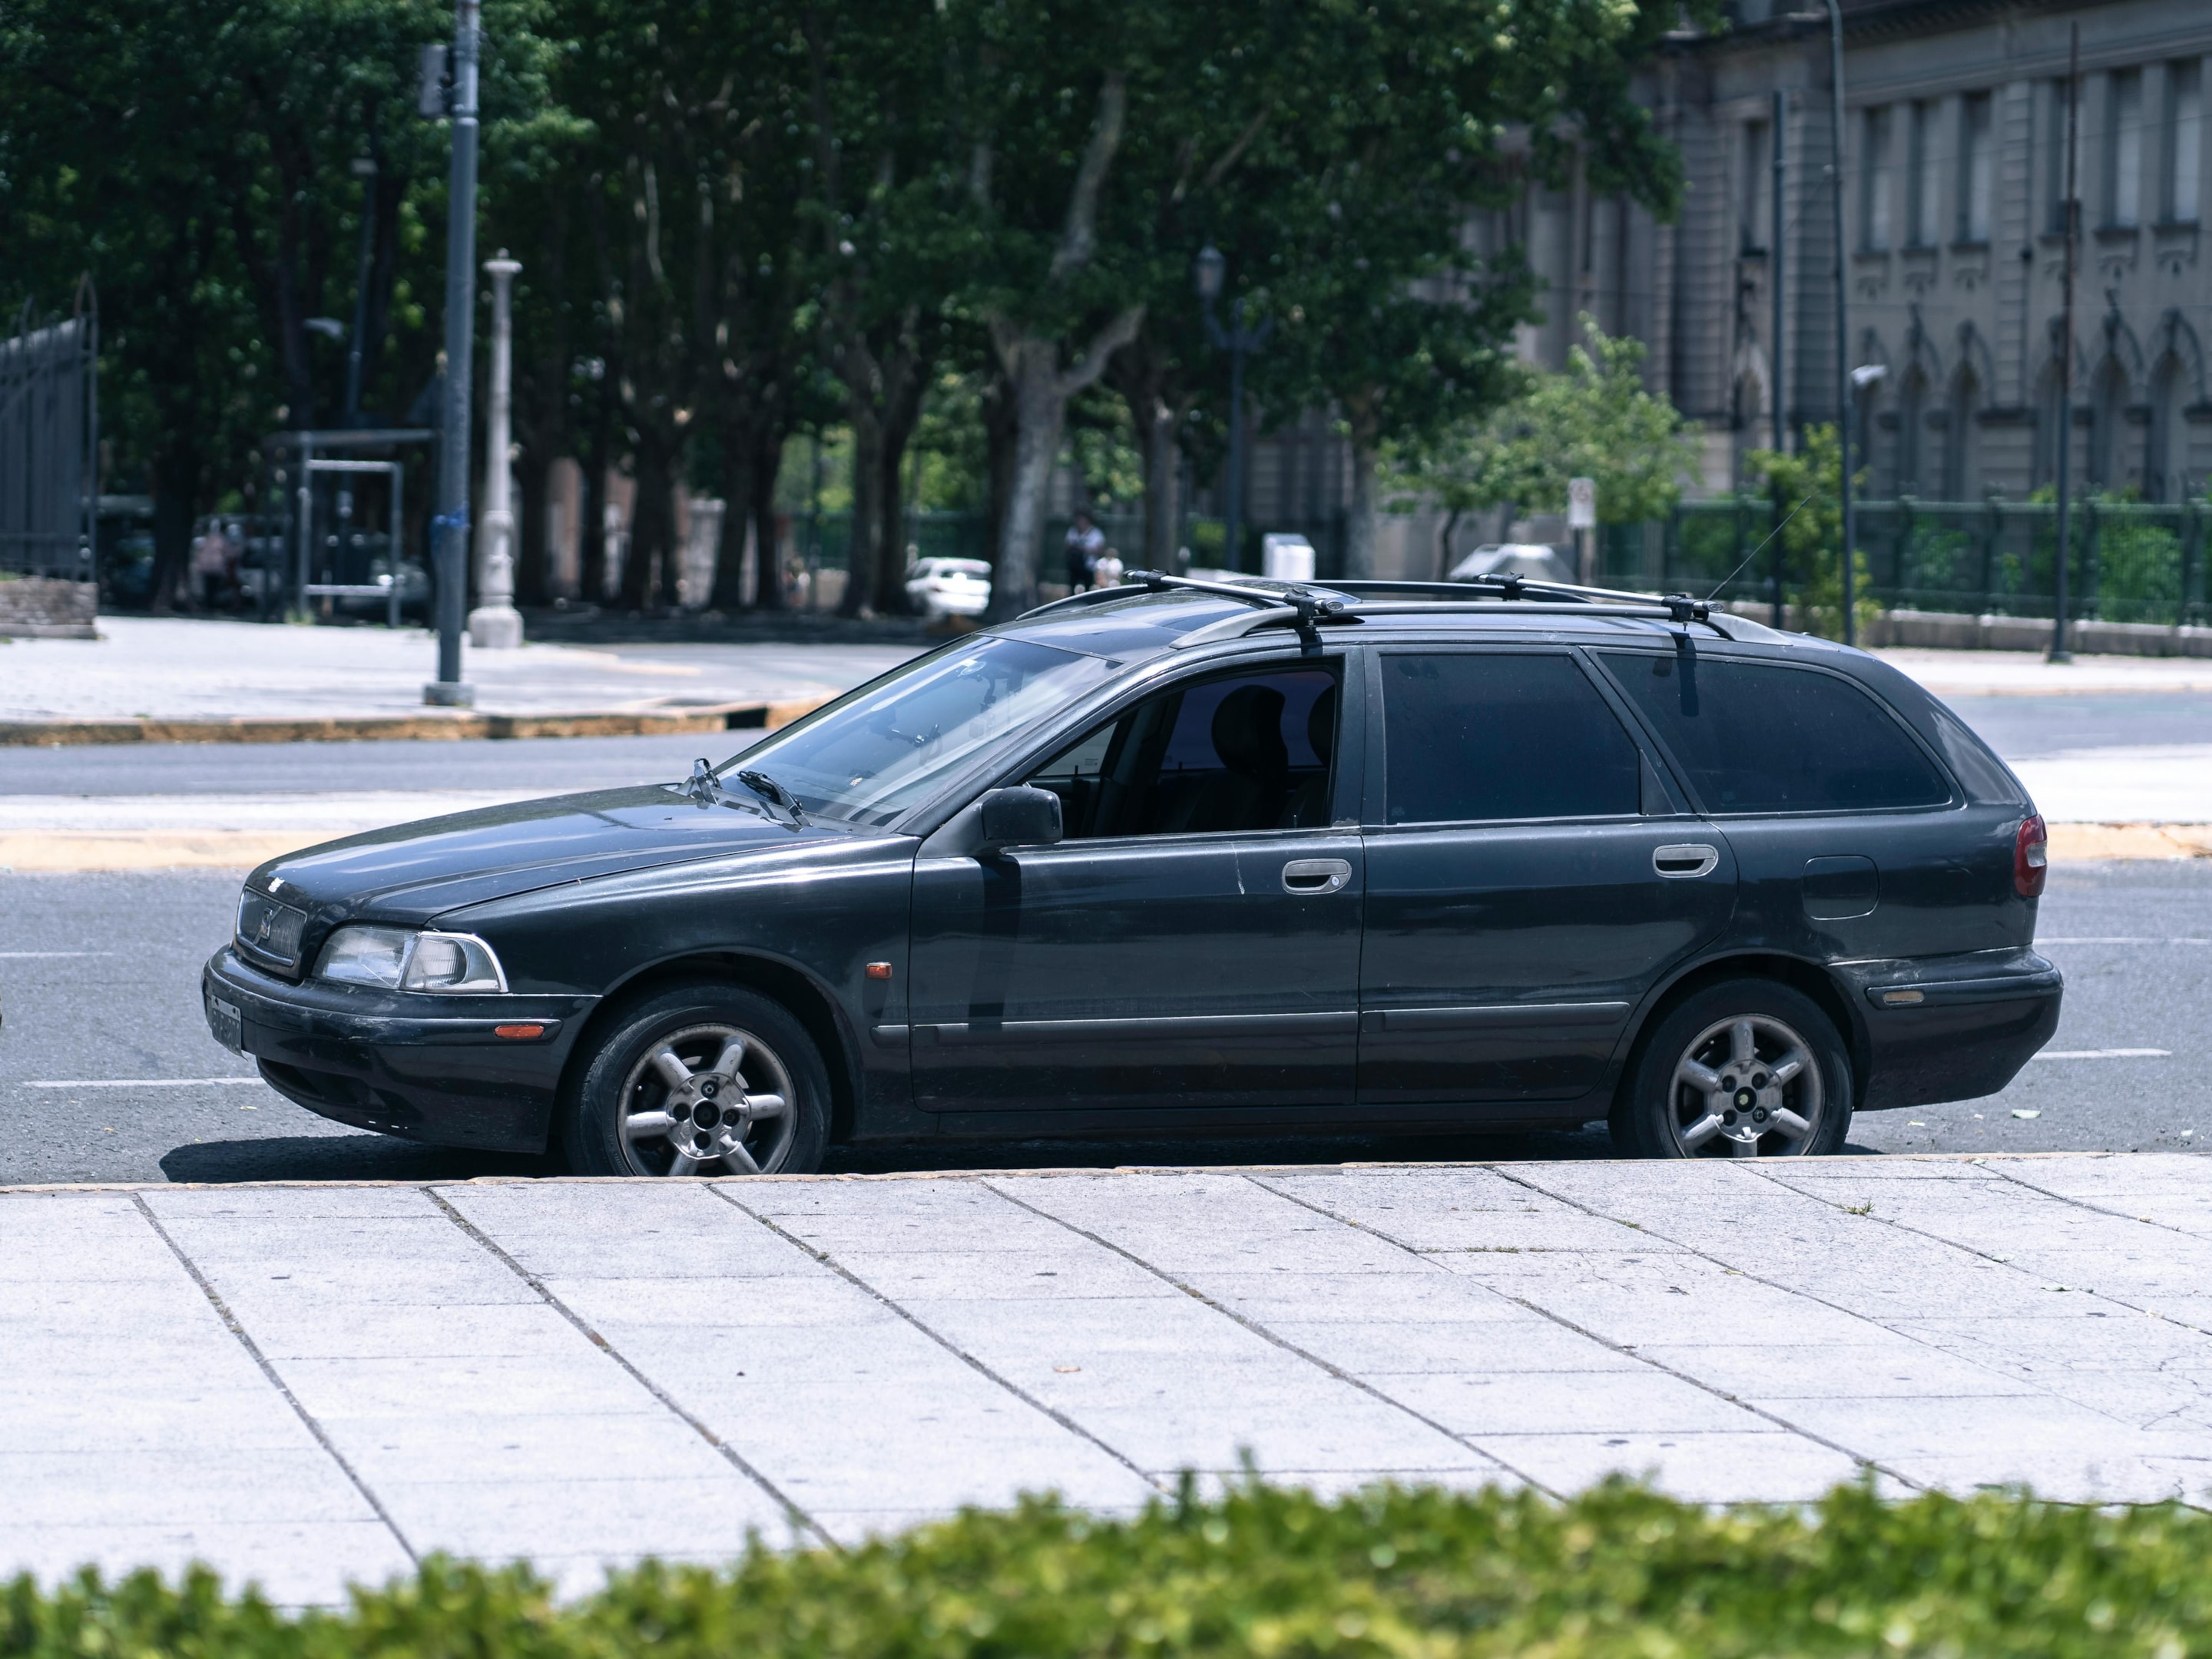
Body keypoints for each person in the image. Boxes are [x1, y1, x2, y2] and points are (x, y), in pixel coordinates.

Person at [1064, 511, 1105, 591]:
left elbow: (1100, 551)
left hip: (1089, 567)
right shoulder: (1073, 532)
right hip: (1074, 566)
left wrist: (1086, 550)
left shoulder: (1096, 533)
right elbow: (1067, 546)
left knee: (1088, 588)